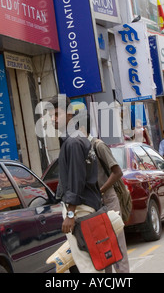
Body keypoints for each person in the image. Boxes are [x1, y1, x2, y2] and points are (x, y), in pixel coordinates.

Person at [49, 95, 105, 273]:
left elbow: (76, 180)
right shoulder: (77, 138)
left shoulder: (73, 142)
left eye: (56, 114)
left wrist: (71, 214)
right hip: (87, 206)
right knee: (94, 259)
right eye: (50, 115)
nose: (52, 119)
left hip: (80, 209)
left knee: (87, 264)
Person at [91, 135, 130, 273]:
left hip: (108, 198)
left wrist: (100, 191)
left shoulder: (98, 146)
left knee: (117, 243)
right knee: (103, 247)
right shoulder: (81, 148)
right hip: (94, 203)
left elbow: (117, 172)